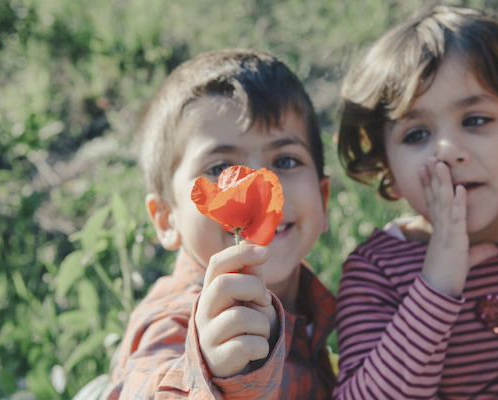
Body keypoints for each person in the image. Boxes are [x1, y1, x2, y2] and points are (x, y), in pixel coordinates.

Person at [334, 5, 498, 398]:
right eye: (417, 134)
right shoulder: (377, 271)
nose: (448, 151)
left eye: (475, 120)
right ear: (390, 171)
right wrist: (436, 284)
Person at [106, 49, 336, 399]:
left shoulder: (322, 305)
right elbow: (139, 387)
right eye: (219, 168)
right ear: (167, 218)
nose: (260, 180)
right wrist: (209, 373)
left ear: (324, 199)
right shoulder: (176, 319)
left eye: (286, 160)